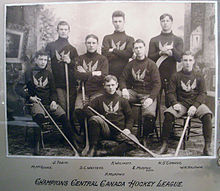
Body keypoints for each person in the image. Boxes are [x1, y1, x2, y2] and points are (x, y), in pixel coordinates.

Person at [22, 50, 76, 155]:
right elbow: (17, 89)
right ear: (36, 60)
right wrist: (30, 97)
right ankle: (37, 145)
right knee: (39, 117)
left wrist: (54, 101)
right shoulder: (28, 73)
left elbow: (53, 91)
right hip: (36, 103)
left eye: (45, 60)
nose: (43, 62)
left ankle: (71, 142)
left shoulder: (48, 73)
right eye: (41, 59)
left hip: (49, 103)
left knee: (64, 116)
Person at [158, 51, 213, 156]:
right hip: (181, 104)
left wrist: (195, 106)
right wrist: (174, 103)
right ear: (181, 62)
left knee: (207, 115)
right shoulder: (175, 76)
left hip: (196, 104)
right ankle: (164, 144)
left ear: (193, 61)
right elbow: (170, 92)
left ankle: (207, 147)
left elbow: (203, 93)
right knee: (168, 114)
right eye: (185, 60)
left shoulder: (199, 76)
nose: (188, 63)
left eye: (190, 60)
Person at [119, 39, 161, 146]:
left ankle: (145, 137)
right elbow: (122, 78)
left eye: (140, 47)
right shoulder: (130, 64)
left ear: (144, 48)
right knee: (117, 97)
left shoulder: (151, 64)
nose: (138, 50)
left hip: (147, 93)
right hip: (134, 92)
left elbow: (157, 84)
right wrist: (123, 89)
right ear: (133, 50)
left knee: (149, 113)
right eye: (136, 48)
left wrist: (151, 98)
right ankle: (122, 131)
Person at [84, 75, 134, 157]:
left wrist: (127, 129)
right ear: (104, 85)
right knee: (94, 119)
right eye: (108, 85)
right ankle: (93, 148)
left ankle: (107, 152)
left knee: (134, 142)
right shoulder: (99, 99)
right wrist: (99, 116)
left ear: (117, 85)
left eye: (113, 85)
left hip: (119, 132)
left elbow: (130, 118)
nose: (111, 88)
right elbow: (86, 108)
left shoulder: (123, 100)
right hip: (106, 130)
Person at [75, 34, 108, 135]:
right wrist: (94, 73)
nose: (91, 45)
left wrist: (85, 73)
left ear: (97, 44)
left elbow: (103, 76)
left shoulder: (102, 59)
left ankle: (93, 132)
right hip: (83, 90)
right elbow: (76, 75)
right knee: (78, 110)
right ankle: (85, 131)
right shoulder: (80, 59)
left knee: (93, 111)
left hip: (98, 91)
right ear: (85, 44)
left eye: (93, 43)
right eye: (89, 43)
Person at [45, 21, 78, 123]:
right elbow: (46, 62)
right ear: (57, 30)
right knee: (62, 107)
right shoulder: (51, 46)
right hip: (56, 82)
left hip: (70, 83)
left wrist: (70, 61)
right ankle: (64, 132)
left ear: (69, 31)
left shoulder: (72, 49)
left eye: (65, 29)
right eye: (61, 29)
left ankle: (71, 131)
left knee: (71, 108)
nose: (63, 32)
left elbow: (76, 67)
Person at [148, 13, 183, 107]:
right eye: (163, 21)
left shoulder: (178, 40)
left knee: (170, 103)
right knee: (154, 103)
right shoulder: (154, 40)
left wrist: (172, 50)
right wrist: (161, 52)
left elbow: (179, 58)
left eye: (167, 21)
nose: (165, 23)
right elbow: (150, 57)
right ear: (160, 22)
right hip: (156, 74)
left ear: (171, 22)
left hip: (172, 75)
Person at [102, 10, 134, 80]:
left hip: (125, 72)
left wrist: (113, 50)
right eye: (115, 22)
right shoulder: (107, 38)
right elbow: (105, 55)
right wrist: (123, 54)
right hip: (109, 72)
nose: (118, 24)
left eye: (120, 21)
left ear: (124, 22)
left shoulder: (130, 39)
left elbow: (128, 54)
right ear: (112, 22)